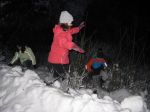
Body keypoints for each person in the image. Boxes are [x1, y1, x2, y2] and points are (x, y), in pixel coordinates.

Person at [48, 10, 85, 81]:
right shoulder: (60, 35)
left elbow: (72, 31)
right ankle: (64, 89)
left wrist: (79, 27)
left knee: (58, 75)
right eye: (70, 22)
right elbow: (67, 44)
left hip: (58, 59)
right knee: (65, 76)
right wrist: (77, 48)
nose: (71, 24)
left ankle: (48, 81)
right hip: (58, 61)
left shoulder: (64, 30)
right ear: (65, 23)